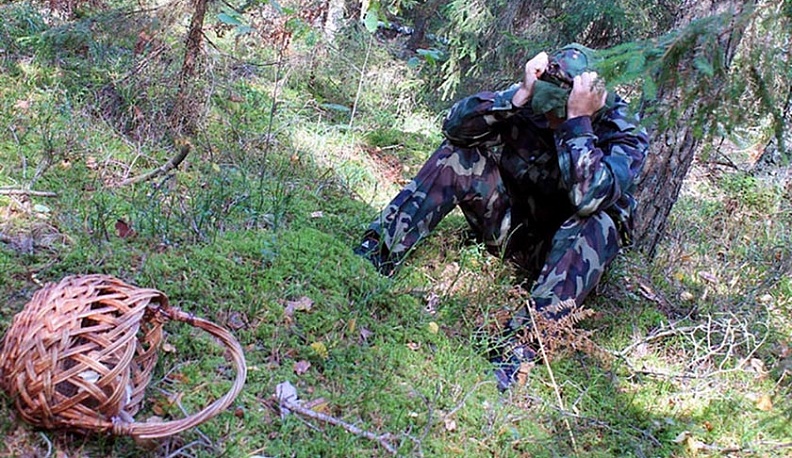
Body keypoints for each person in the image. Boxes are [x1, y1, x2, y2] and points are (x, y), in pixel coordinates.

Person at [354, 44, 649, 390]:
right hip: (508, 228)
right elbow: (454, 130)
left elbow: (588, 197)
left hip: (564, 260)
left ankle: (516, 350)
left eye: (557, 115)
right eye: (547, 114)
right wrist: (519, 95)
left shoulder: (624, 132)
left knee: (598, 221)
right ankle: (377, 253)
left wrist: (577, 124)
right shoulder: (534, 100)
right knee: (457, 157)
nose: (550, 123)